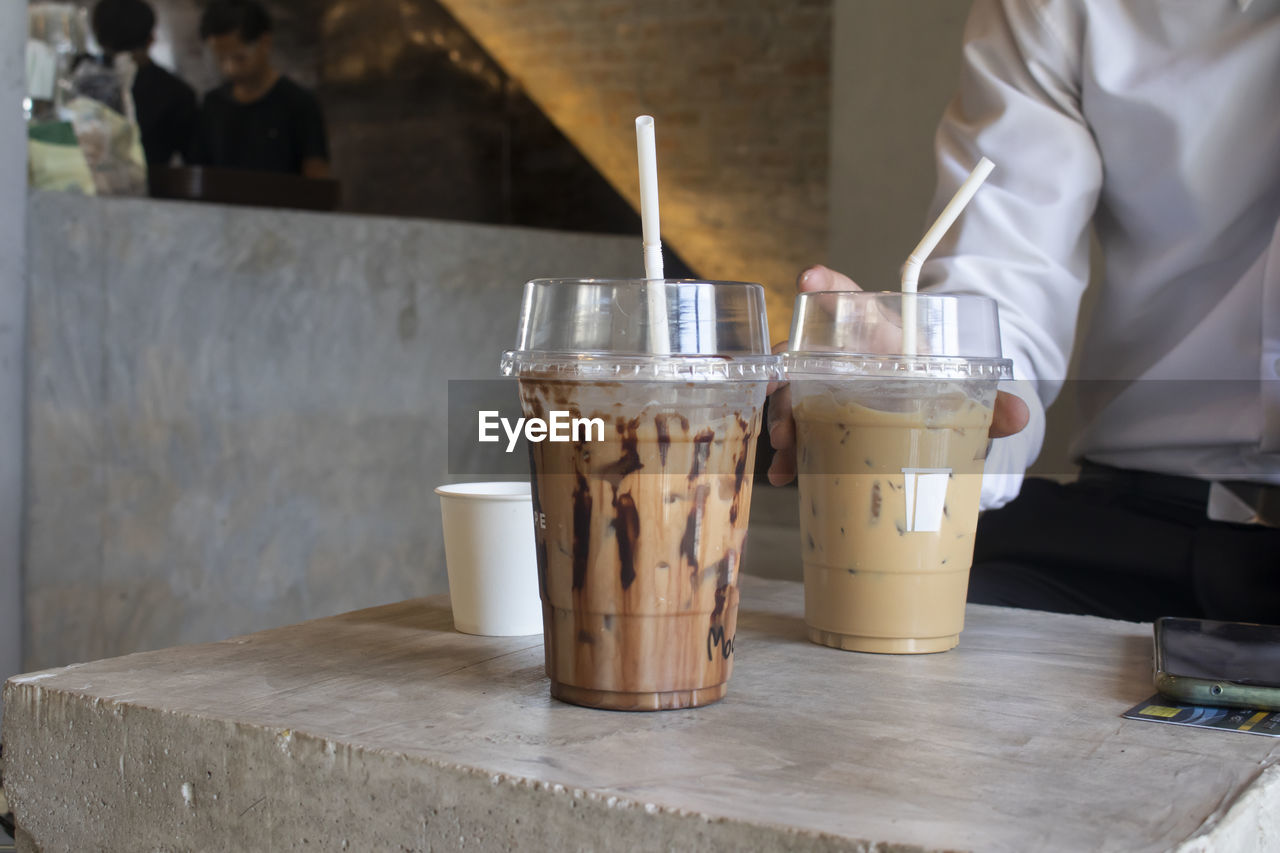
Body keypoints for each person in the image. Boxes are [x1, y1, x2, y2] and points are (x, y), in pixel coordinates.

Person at [770, 0, 1279, 624]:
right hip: (1135, 526)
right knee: (903, 646)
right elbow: (1002, 297)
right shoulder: (1059, 10)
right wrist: (933, 384)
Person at [195, 0, 330, 178]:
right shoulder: (213, 104)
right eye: (221, 59)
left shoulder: (298, 104)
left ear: (265, 42)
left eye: (239, 58)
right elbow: (201, 175)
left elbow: (316, 182)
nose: (229, 68)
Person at [90, 0, 197, 166]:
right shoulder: (176, 93)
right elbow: (194, 162)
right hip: (152, 188)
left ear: (98, 39)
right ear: (151, 38)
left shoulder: (78, 83)